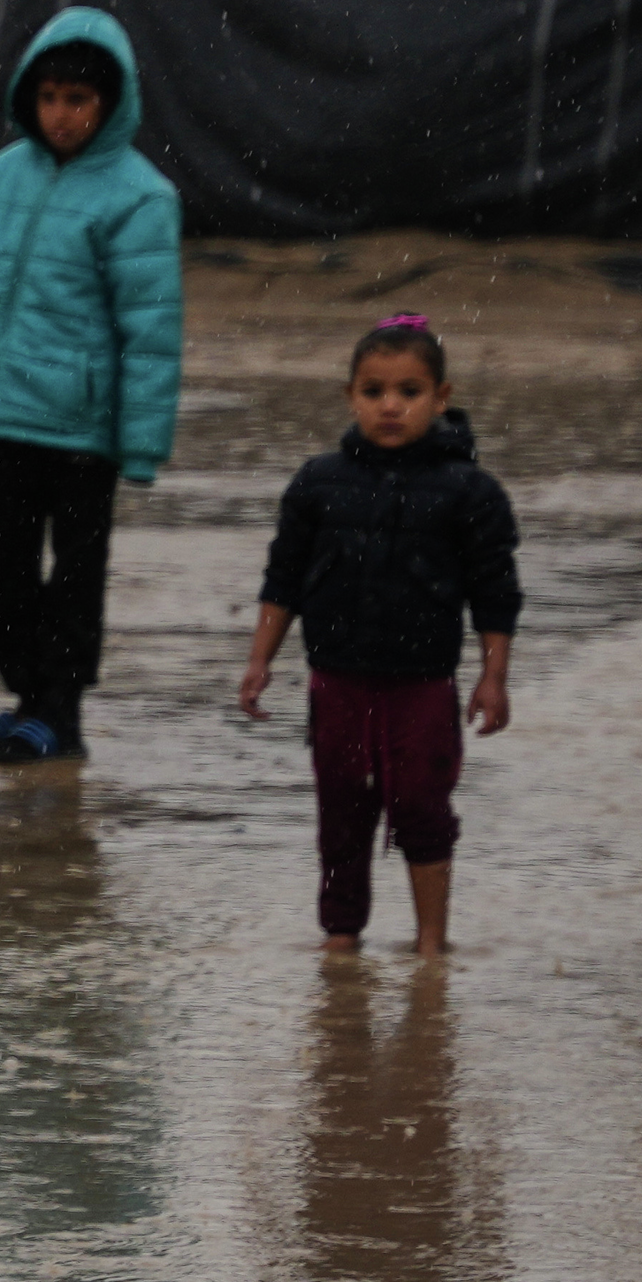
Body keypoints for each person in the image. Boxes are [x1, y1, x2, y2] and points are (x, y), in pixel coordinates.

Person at [0, 6, 185, 767]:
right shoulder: (0, 179)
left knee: (72, 580)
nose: (62, 116)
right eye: (49, 98)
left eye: (79, 100)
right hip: (0, 417)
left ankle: (57, 719)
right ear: (28, 99)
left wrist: (140, 442)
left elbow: (152, 330)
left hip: (81, 427)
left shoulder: (139, 197)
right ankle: (32, 701)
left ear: (110, 103)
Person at [238, 317, 520, 956]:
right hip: (336, 678)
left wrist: (493, 676)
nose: (390, 405)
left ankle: (431, 943)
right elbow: (283, 579)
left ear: (441, 398)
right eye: (373, 391)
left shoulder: (469, 491)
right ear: (350, 396)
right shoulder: (318, 482)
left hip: (422, 683)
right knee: (341, 812)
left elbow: (495, 591)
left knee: (422, 806)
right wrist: (259, 661)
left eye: (409, 391)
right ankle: (341, 941)